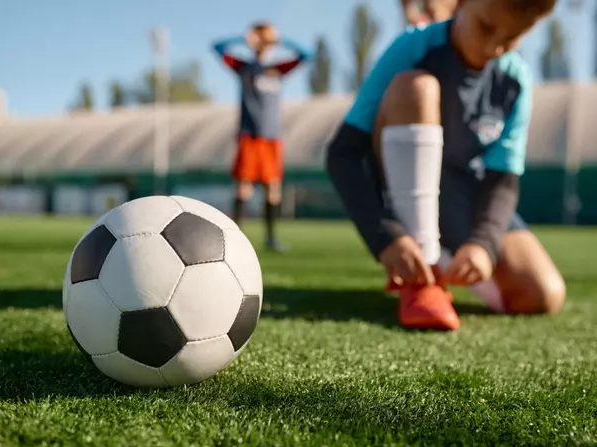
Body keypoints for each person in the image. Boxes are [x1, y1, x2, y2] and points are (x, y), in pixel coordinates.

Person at [326, 0, 566, 331]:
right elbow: (343, 154)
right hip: (400, 185)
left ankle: (445, 262)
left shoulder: (516, 80)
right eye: (485, 27)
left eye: (512, 38)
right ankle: (422, 276)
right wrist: (386, 236)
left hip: (463, 193)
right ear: (461, 3)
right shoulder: (414, 45)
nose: (493, 46)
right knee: (417, 87)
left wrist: (483, 244)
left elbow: (503, 179)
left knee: (543, 295)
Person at [212, 23, 310, 252]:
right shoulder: (244, 67)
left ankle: (271, 238)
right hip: (250, 135)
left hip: (272, 137)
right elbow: (217, 47)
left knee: (272, 187)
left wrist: (277, 40)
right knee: (243, 187)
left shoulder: (278, 69)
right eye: (260, 38)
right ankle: (236, 237)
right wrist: (245, 38)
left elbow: (306, 54)